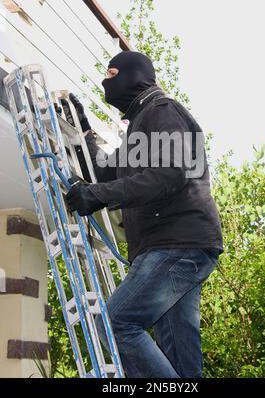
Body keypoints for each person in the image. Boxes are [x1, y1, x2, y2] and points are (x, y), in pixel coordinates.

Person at [66, 51, 223, 378]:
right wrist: (82, 129)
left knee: (113, 324)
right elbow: (102, 171)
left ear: (132, 74)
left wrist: (98, 196)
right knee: (179, 358)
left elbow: (171, 172)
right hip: (178, 247)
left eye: (111, 74)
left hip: (176, 245)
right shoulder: (138, 129)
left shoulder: (162, 110)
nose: (105, 82)